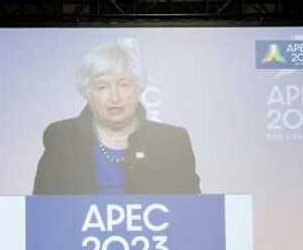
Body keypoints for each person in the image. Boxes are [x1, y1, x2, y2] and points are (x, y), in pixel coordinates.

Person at [33, 42, 200, 195]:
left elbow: (191, 210)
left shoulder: (172, 142)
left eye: (124, 84)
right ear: (87, 92)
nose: (114, 97)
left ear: (139, 87)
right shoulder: (62, 139)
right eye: (102, 86)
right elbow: (41, 211)